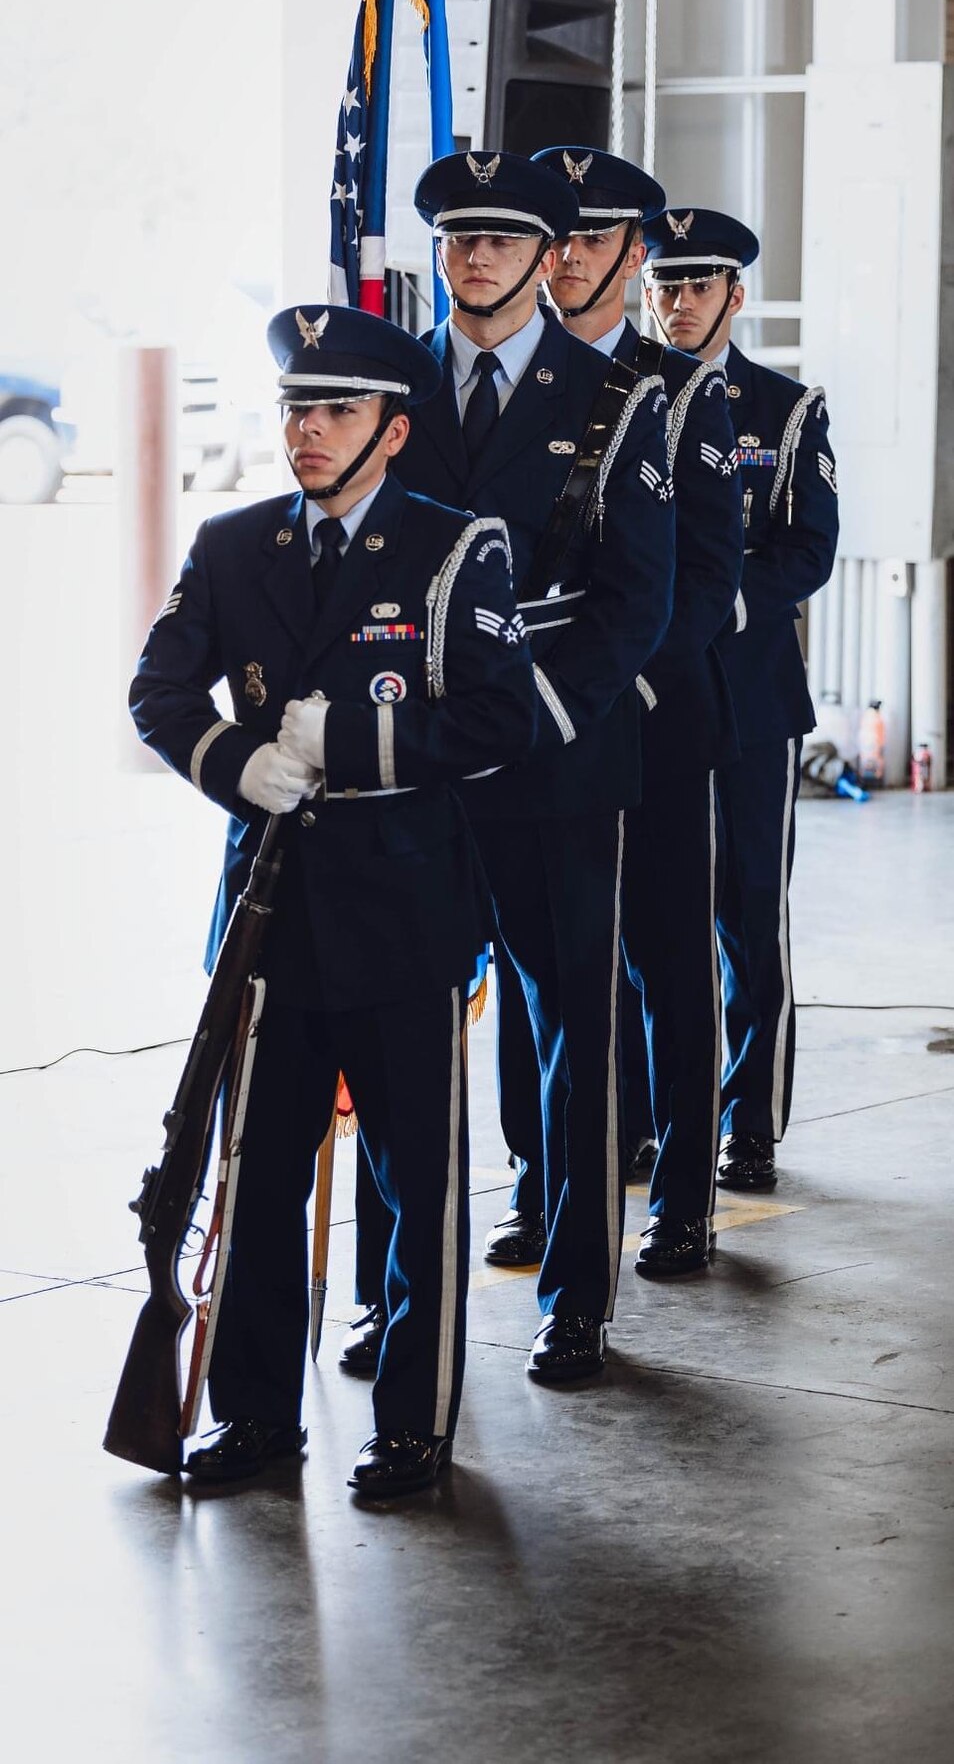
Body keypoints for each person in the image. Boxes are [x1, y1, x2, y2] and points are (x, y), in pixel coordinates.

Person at [128, 304, 537, 1496]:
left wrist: (352, 737)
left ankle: (413, 1422)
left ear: (395, 430)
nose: (308, 430)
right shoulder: (233, 541)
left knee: (419, 1184)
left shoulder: (461, 549)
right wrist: (228, 759)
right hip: (269, 915)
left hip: (405, 914)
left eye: (338, 409)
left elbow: (499, 717)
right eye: (297, 407)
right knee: (258, 1182)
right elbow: (158, 686)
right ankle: (256, 1416)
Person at [390, 148, 676, 1380]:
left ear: (548, 254)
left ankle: (576, 1294)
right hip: (416, 766)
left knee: (572, 1022)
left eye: (504, 241)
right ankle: (400, 1304)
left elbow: (638, 600)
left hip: (554, 755)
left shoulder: (615, 398)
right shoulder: (393, 387)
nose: (477, 259)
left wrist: (538, 713)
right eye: (460, 239)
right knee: (399, 1032)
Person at [526, 147, 743, 1275]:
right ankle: (545, 1176)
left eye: (592, 240)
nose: (564, 260)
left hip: (652, 717)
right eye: (553, 238)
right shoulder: (528, 381)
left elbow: (704, 575)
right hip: (537, 726)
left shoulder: (679, 388)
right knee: (551, 971)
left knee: (665, 954)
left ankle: (685, 1193)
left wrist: (616, 681)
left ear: (635, 254)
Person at [642, 208, 839, 1190]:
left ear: (735, 294)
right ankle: (645, 1115)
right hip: (637, 698)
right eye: (665, 285)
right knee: (642, 916)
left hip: (747, 695)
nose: (679, 302)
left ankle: (747, 1119)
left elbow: (808, 549)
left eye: (698, 284)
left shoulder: (784, 408)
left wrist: (714, 599)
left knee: (748, 912)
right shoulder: (619, 398)